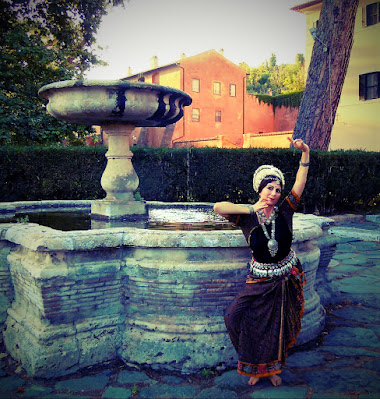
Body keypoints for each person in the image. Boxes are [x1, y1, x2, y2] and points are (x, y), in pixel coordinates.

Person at [213, 138, 310, 387]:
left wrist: (305, 154)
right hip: (258, 279)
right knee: (233, 317)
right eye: (269, 189)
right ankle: (251, 363)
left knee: (276, 327)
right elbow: (217, 207)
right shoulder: (246, 217)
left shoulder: (285, 210)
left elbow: (300, 183)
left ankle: (271, 370)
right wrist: (250, 208)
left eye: (277, 190)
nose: (274, 194)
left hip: (284, 277)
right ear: (260, 189)